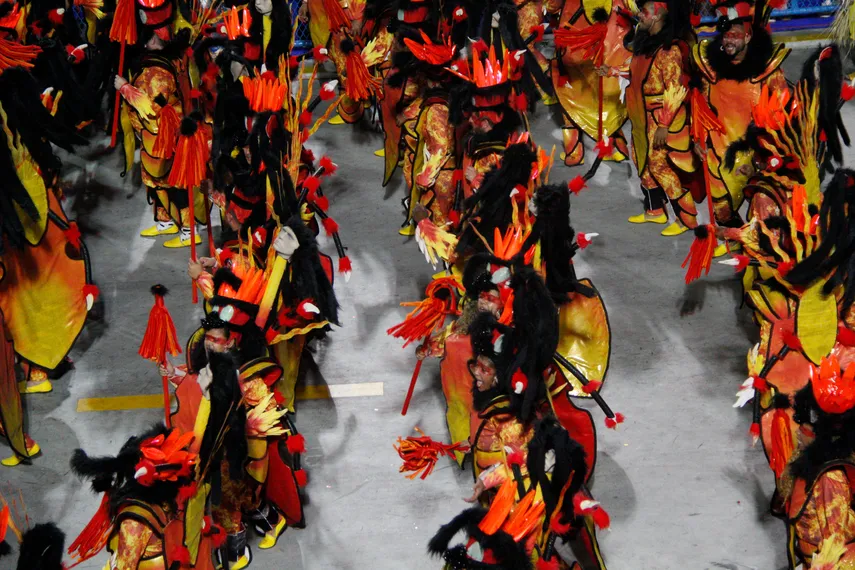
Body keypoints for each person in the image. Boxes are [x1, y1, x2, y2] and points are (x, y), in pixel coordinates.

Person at [692, 0, 789, 233]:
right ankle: (734, 237)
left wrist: (767, 156)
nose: (728, 40)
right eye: (726, 35)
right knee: (722, 211)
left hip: (756, 153)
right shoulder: (710, 70)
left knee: (762, 208)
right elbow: (700, 106)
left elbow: (781, 116)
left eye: (735, 35)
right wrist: (698, 138)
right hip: (718, 152)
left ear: (747, 38)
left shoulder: (768, 73)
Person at [624, 0, 702, 235]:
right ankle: (655, 211)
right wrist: (613, 72)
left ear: (657, 17)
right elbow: (641, 75)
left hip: (662, 117)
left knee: (658, 165)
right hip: (642, 115)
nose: (641, 16)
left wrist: (664, 124)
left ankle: (688, 218)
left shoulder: (669, 51)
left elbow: (676, 89)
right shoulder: (647, 45)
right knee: (641, 160)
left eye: (645, 13)